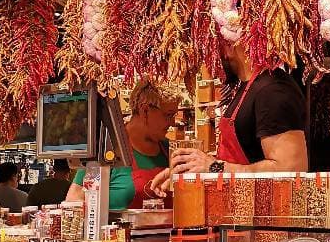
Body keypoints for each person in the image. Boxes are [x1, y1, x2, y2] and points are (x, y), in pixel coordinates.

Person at [151, 40, 308, 194]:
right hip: (241, 210)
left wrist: (214, 167)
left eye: (211, 51)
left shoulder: (272, 90)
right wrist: (191, 168)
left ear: (228, 46)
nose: (209, 62)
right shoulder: (248, 87)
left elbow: (290, 170)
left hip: (266, 216)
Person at [65, 79, 179, 211]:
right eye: (168, 115)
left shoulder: (170, 151)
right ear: (145, 111)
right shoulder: (107, 149)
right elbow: (75, 200)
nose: (173, 122)